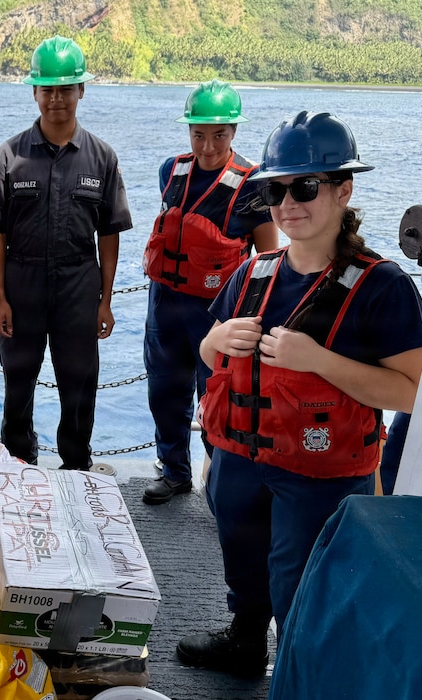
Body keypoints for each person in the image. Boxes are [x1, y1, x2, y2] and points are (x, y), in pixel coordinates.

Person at [178, 111, 422, 676]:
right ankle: (246, 643)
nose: (289, 202)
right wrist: (214, 341)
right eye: (276, 189)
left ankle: (301, 677)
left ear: (344, 191)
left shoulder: (381, 287)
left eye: (306, 186)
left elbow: (415, 394)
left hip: (320, 473)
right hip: (240, 460)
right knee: (242, 560)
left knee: (303, 586)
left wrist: (319, 361)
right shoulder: (253, 274)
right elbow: (209, 359)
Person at [0, 35, 132, 471]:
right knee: (17, 380)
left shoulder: (102, 158)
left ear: (82, 91)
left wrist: (106, 299)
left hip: (80, 282)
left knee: (78, 382)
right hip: (22, 284)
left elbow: (110, 233)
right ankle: (19, 462)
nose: (56, 99)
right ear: (35, 92)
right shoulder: (9, 156)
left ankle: (76, 465)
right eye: (48, 89)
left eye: (66, 89)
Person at [141, 79, 278, 505]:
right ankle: (175, 472)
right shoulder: (171, 170)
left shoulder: (253, 184)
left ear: (234, 131)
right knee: (164, 393)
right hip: (164, 306)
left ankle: (222, 484)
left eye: (219, 135)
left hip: (217, 314)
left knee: (219, 399)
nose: (208, 146)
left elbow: (269, 255)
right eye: (199, 134)